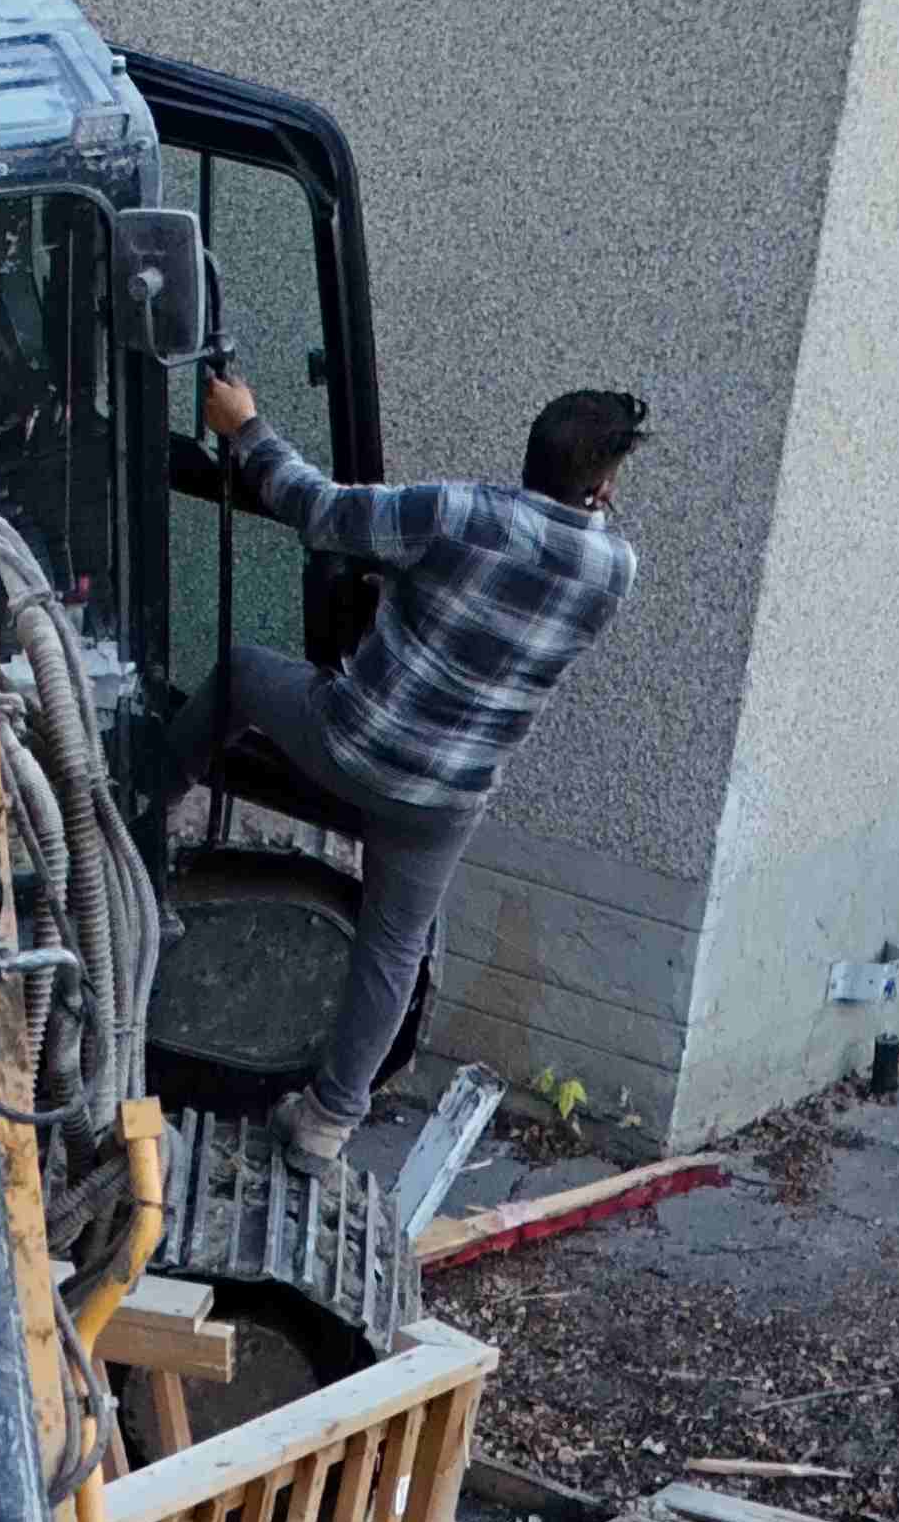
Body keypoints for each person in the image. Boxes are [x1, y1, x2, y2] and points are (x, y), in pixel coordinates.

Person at [182, 369, 651, 1157]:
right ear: (601, 486)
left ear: (531, 454)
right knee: (394, 946)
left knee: (238, 675)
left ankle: (130, 812)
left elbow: (320, 511)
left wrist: (246, 429)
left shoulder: (458, 514)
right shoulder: (614, 570)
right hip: (445, 797)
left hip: (354, 743)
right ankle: (328, 1122)